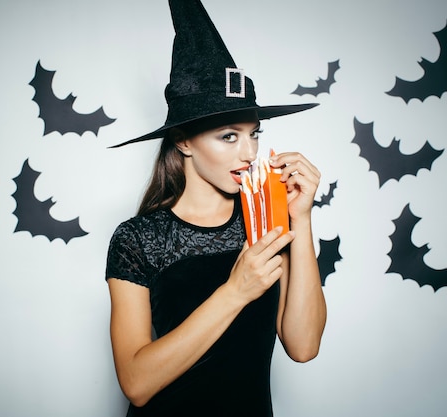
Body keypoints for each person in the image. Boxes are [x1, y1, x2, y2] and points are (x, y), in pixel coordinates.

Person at [105, 1, 326, 415]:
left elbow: (304, 345)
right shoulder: (138, 239)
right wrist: (235, 292)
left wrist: (302, 218)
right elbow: (135, 384)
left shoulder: (266, 223)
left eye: (254, 134)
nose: (249, 152)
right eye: (229, 136)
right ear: (184, 141)